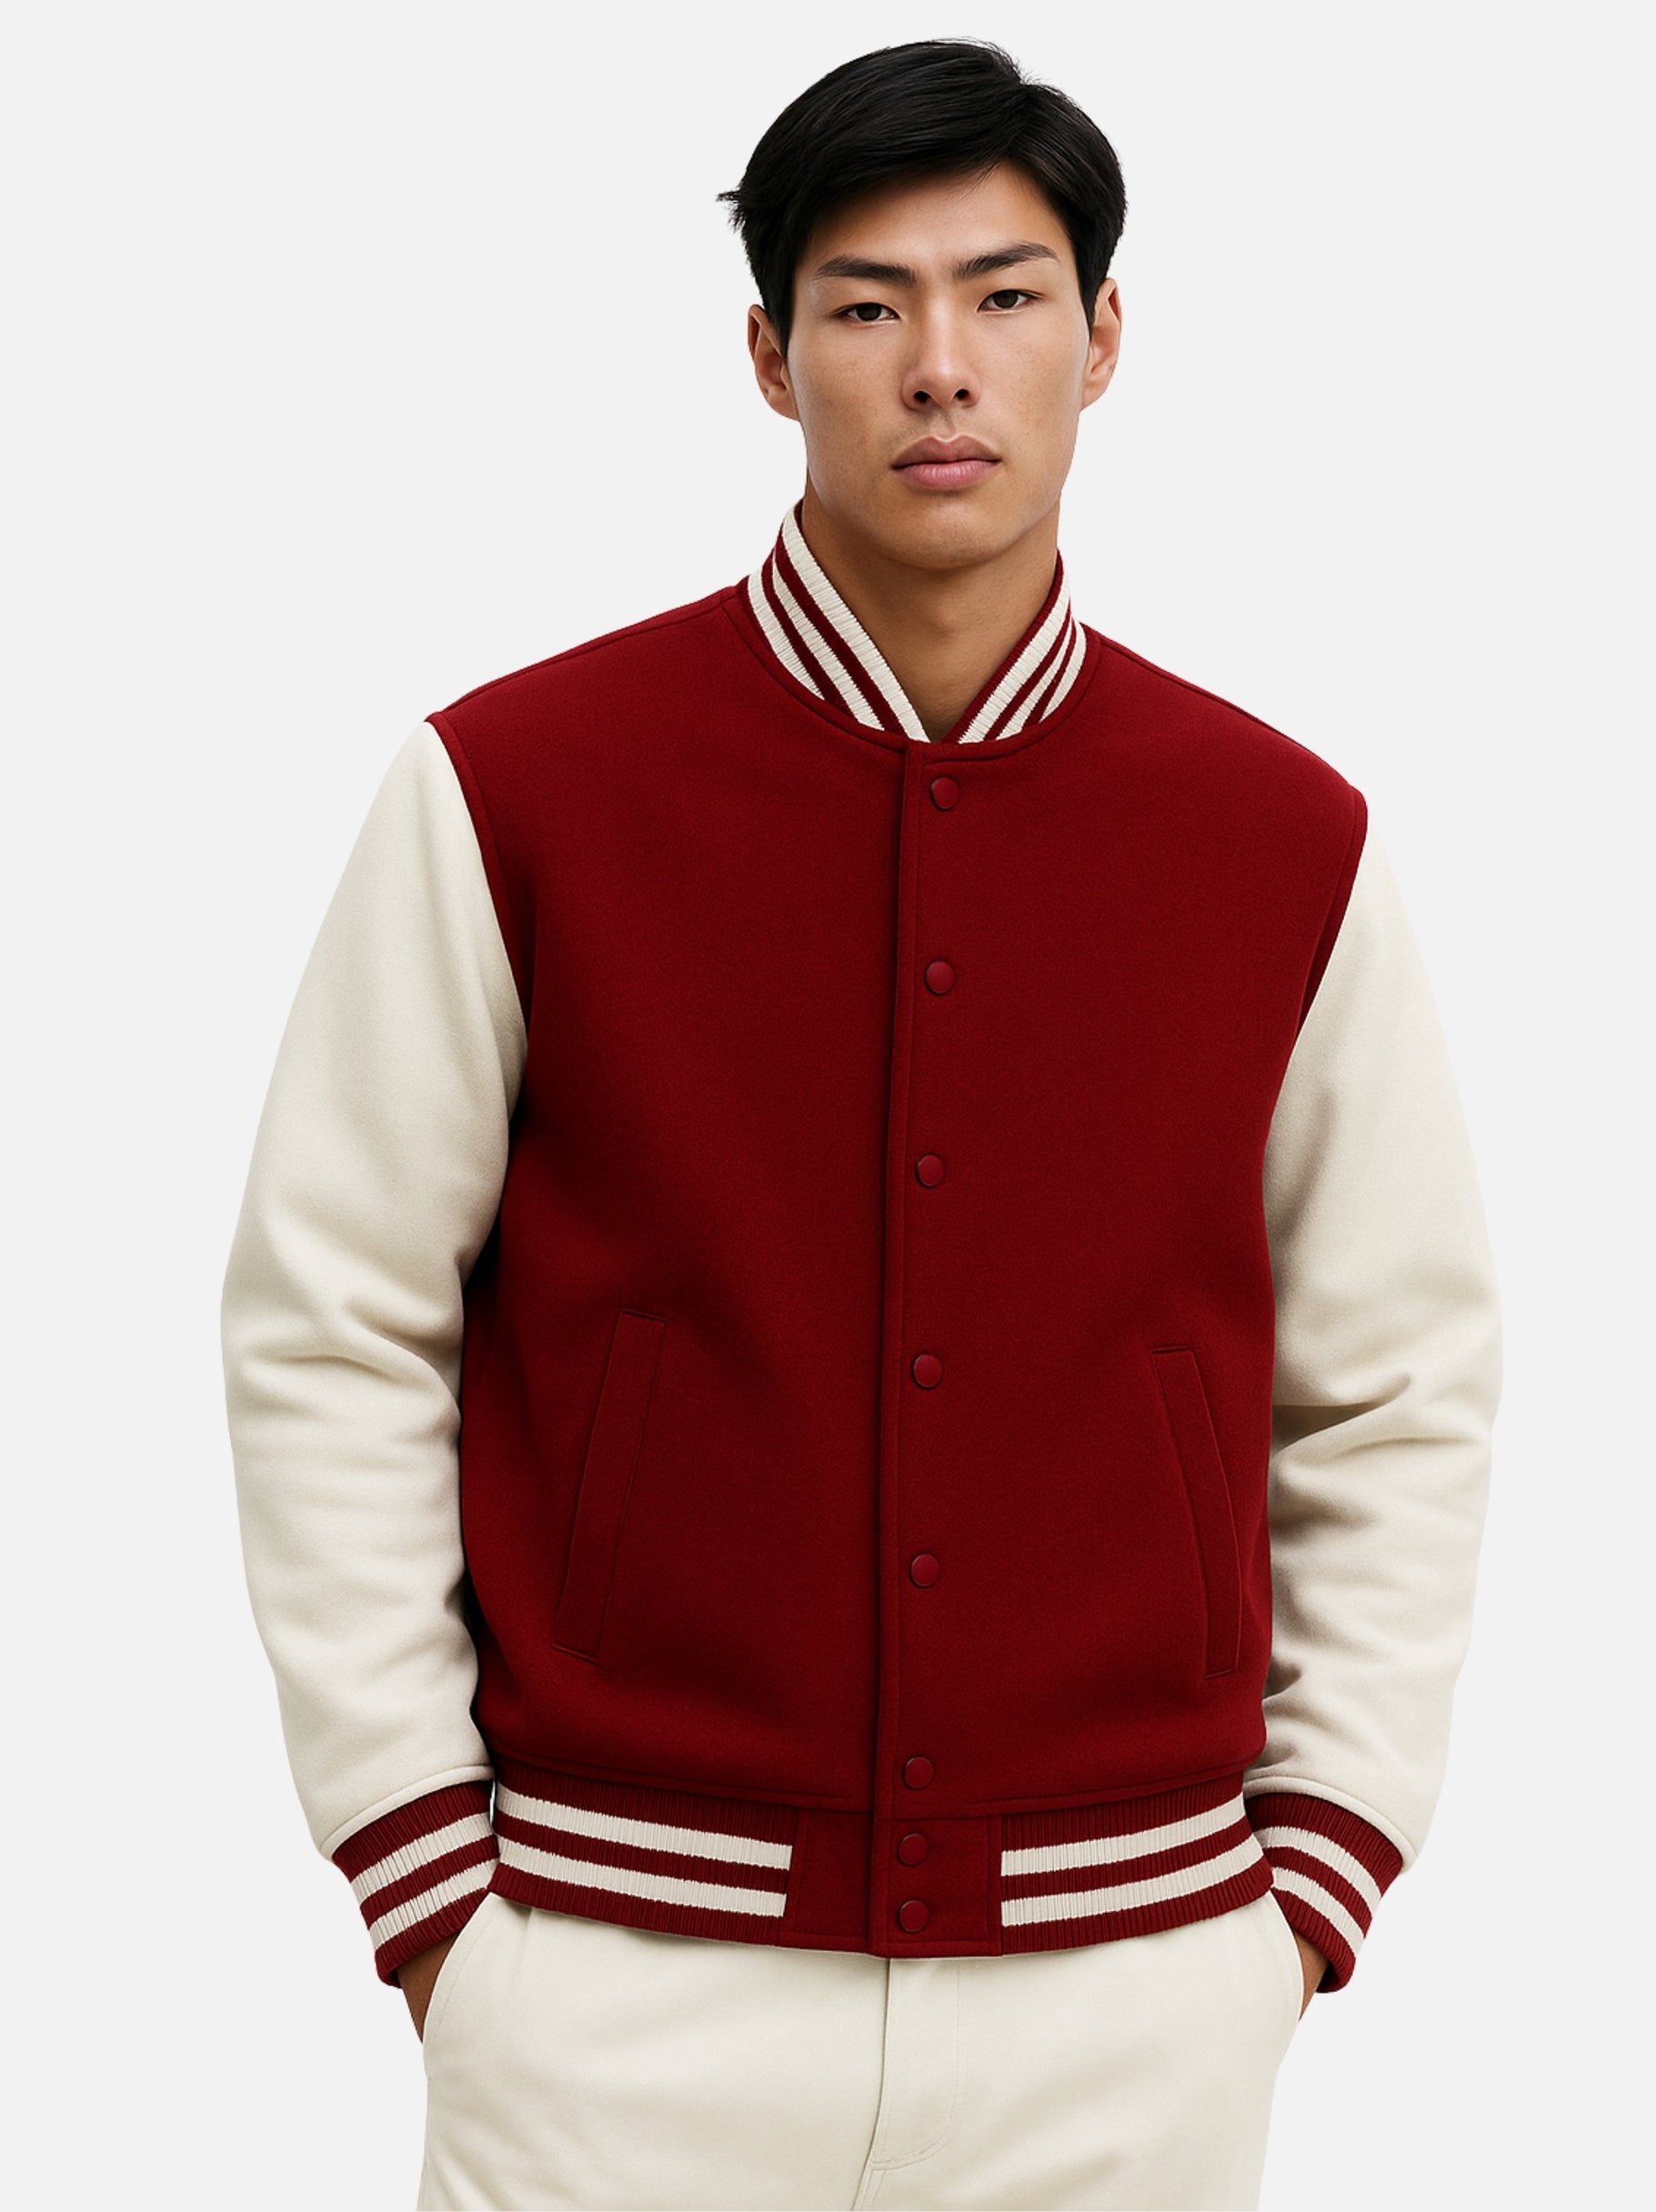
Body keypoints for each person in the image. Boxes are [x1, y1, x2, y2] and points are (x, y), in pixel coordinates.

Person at [219, 35, 1502, 2212]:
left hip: (1131, 1990)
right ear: (767, 355)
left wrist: (1311, 1879)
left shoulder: (1279, 838)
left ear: (1104, 340)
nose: (939, 367)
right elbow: (330, 1324)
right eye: (865, 303)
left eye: (1004, 297)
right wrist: (427, 1878)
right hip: (614, 1977)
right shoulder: (518, 790)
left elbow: (1398, 1380)